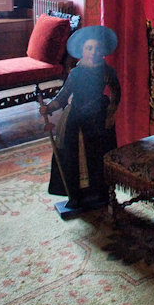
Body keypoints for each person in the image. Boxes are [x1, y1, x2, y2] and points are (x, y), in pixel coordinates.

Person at [40, 25, 120, 210]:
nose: (93, 52)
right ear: (82, 51)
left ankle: (100, 193)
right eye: (89, 48)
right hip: (76, 117)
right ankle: (75, 195)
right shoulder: (76, 73)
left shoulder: (107, 71)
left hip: (99, 117)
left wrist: (110, 114)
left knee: (98, 155)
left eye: (97, 48)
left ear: (102, 51)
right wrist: (49, 107)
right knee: (71, 155)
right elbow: (64, 94)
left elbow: (116, 93)